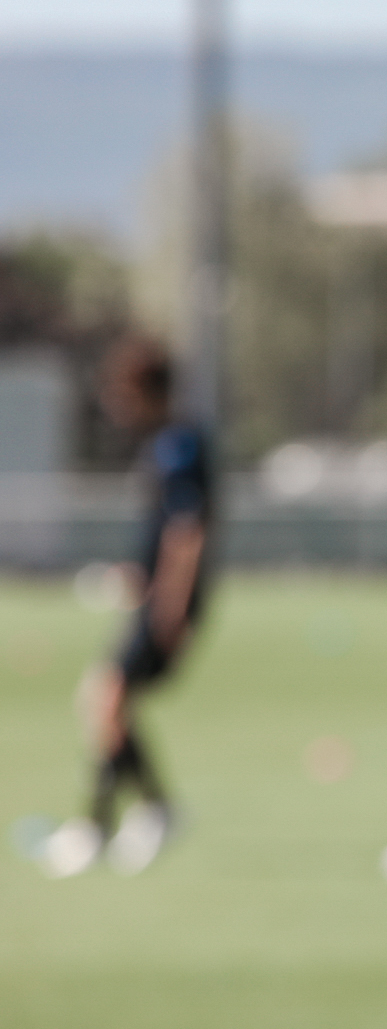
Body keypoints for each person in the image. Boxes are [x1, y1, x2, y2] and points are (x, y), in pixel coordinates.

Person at [44, 336, 212, 878]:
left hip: (166, 605)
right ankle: (134, 815)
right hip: (154, 597)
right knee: (108, 702)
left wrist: (171, 607)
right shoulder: (163, 443)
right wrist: (135, 577)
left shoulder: (179, 445)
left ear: (146, 390)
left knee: (106, 697)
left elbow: (187, 534)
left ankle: (111, 823)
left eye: (123, 392)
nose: (116, 404)